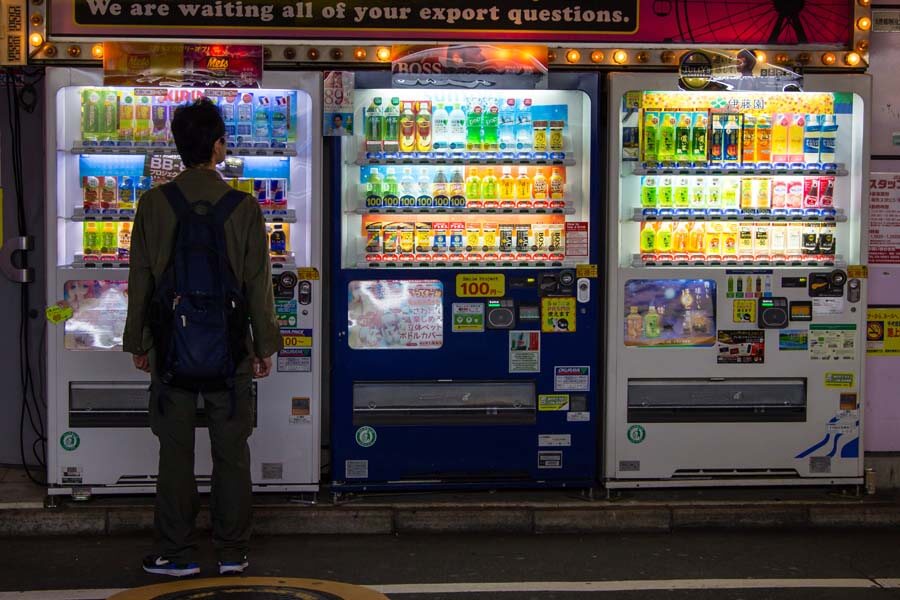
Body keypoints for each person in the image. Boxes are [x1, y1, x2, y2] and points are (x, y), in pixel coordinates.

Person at [123, 98, 281, 578]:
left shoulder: (153, 204)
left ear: (178, 146)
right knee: (231, 451)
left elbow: (140, 279)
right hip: (230, 349)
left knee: (174, 452)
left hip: (172, 348)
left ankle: (176, 552)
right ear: (217, 147)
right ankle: (232, 551)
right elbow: (258, 283)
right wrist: (264, 346)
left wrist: (139, 342)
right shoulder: (244, 206)